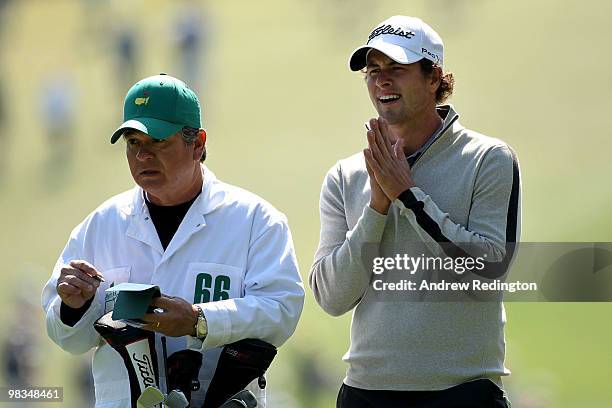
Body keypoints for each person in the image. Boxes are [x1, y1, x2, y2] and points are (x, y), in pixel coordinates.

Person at [42, 73, 305, 407]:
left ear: (197, 144)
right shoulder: (99, 225)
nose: (142, 157)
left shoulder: (256, 220)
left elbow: (282, 310)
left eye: (158, 142)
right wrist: (72, 305)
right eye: (133, 143)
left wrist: (199, 320)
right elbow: (69, 339)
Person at [309, 15, 520, 408]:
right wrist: (378, 206)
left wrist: (407, 195)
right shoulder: (347, 175)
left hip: (462, 392)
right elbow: (332, 297)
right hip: (366, 392)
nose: (381, 81)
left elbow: (489, 270)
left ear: (433, 77)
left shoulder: (488, 159)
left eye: (396, 69)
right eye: (373, 71)